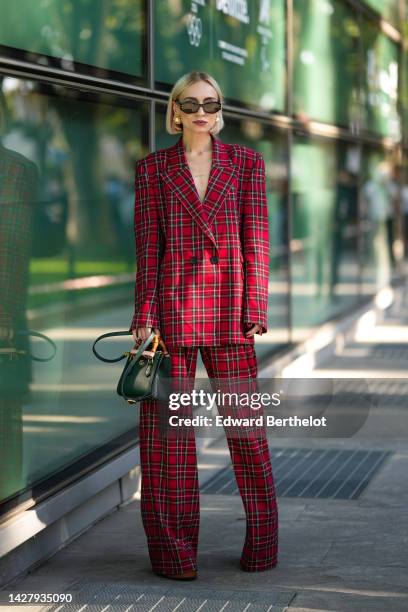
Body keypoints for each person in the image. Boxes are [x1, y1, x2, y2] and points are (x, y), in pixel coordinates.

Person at [129, 71, 278, 580]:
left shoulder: (246, 163)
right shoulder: (152, 170)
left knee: (247, 432)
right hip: (171, 313)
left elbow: (256, 237)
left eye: (210, 103)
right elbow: (149, 250)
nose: (200, 112)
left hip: (231, 313)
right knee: (167, 440)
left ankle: (262, 545)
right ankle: (174, 555)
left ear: (220, 109)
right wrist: (143, 317)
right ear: (175, 110)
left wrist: (255, 305)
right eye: (190, 103)